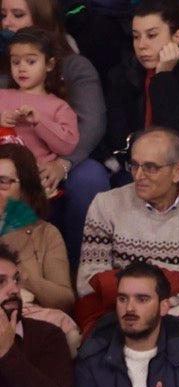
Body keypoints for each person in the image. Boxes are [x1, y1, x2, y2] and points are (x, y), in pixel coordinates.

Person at [2, 0, 108, 265]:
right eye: (2, 15)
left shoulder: (74, 68)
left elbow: (90, 125)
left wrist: (63, 164)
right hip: (7, 164)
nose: (6, 23)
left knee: (89, 178)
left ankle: (78, 267)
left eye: (17, 15)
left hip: (62, 161)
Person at [76, 128, 179, 297]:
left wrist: (143, 284)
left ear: (177, 171)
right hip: (122, 308)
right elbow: (88, 282)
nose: (138, 175)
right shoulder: (105, 205)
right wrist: (170, 281)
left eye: (150, 167)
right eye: (134, 165)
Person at [99, 0, 179, 181]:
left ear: (177, 37)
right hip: (134, 166)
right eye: (136, 36)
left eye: (151, 35)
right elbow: (118, 138)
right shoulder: (122, 75)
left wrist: (163, 77)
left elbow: (178, 135)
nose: (141, 45)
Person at [0, 143, 72, 313]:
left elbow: (65, 302)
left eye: (3, 182)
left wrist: (22, 275)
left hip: (30, 321)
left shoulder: (46, 234)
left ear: (26, 187)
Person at [0, 29, 76, 173]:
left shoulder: (59, 106)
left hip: (35, 178)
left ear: (49, 65)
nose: (21, 68)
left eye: (31, 62)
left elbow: (67, 146)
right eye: (16, 62)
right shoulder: (2, 95)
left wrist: (39, 122)